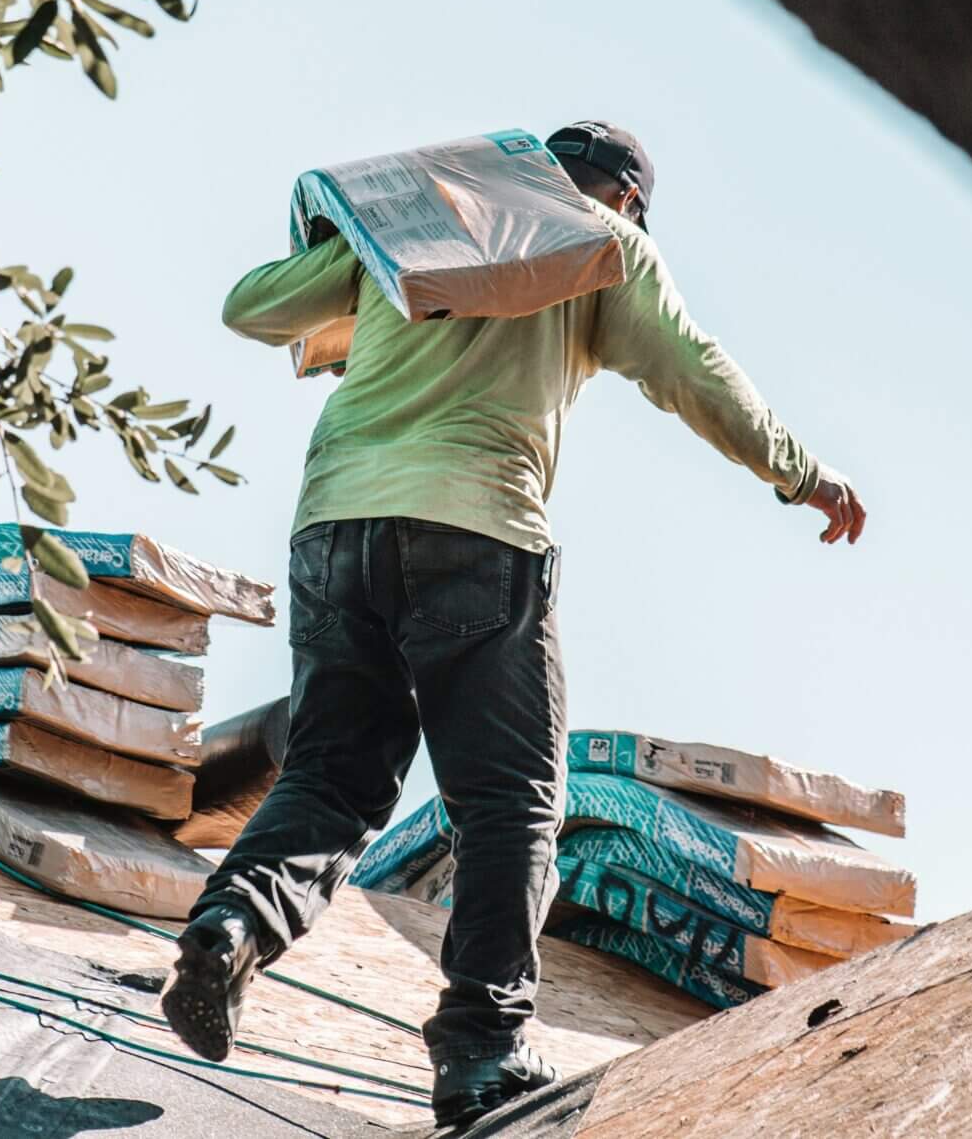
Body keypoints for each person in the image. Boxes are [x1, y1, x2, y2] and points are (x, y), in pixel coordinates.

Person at [162, 121, 866, 1127]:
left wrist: (349, 246)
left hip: (335, 528)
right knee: (512, 803)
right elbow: (691, 370)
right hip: (477, 532)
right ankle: (482, 1052)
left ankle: (233, 923)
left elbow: (250, 308)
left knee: (331, 773)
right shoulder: (607, 248)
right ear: (623, 201)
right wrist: (802, 473)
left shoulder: (421, 228)